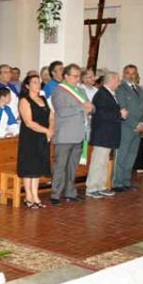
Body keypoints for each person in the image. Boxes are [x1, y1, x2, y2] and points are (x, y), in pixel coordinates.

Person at [50, 64, 93, 205]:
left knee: (72, 166)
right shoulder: (59, 91)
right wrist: (82, 108)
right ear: (66, 76)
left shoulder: (80, 90)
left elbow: (90, 106)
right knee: (60, 166)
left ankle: (70, 192)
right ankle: (55, 194)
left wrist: (91, 108)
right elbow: (62, 111)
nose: (77, 79)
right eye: (74, 76)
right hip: (65, 134)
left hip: (80, 133)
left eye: (78, 76)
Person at [17, 75, 53, 209]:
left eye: (38, 82)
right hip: (30, 136)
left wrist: (51, 129)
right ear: (27, 86)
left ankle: (35, 195)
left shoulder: (43, 99)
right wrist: (46, 131)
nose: (37, 84)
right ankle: (28, 197)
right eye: (34, 82)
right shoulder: (24, 100)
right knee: (29, 166)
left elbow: (51, 116)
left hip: (43, 136)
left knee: (37, 166)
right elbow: (28, 122)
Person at [86, 72, 124, 199]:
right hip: (102, 133)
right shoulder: (102, 94)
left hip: (108, 133)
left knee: (103, 162)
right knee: (98, 161)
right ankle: (91, 188)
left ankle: (100, 186)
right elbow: (102, 114)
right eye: (118, 81)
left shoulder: (108, 93)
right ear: (112, 81)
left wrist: (118, 114)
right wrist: (119, 114)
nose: (119, 84)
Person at [113, 64, 143, 192]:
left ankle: (126, 181)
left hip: (138, 127)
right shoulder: (120, 88)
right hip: (126, 127)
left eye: (133, 73)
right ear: (124, 74)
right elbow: (122, 108)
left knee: (132, 155)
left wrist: (142, 123)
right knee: (122, 155)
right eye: (128, 73)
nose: (131, 75)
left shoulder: (139, 89)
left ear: (136, 74)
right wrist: (135, 124)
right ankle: (117, 183)